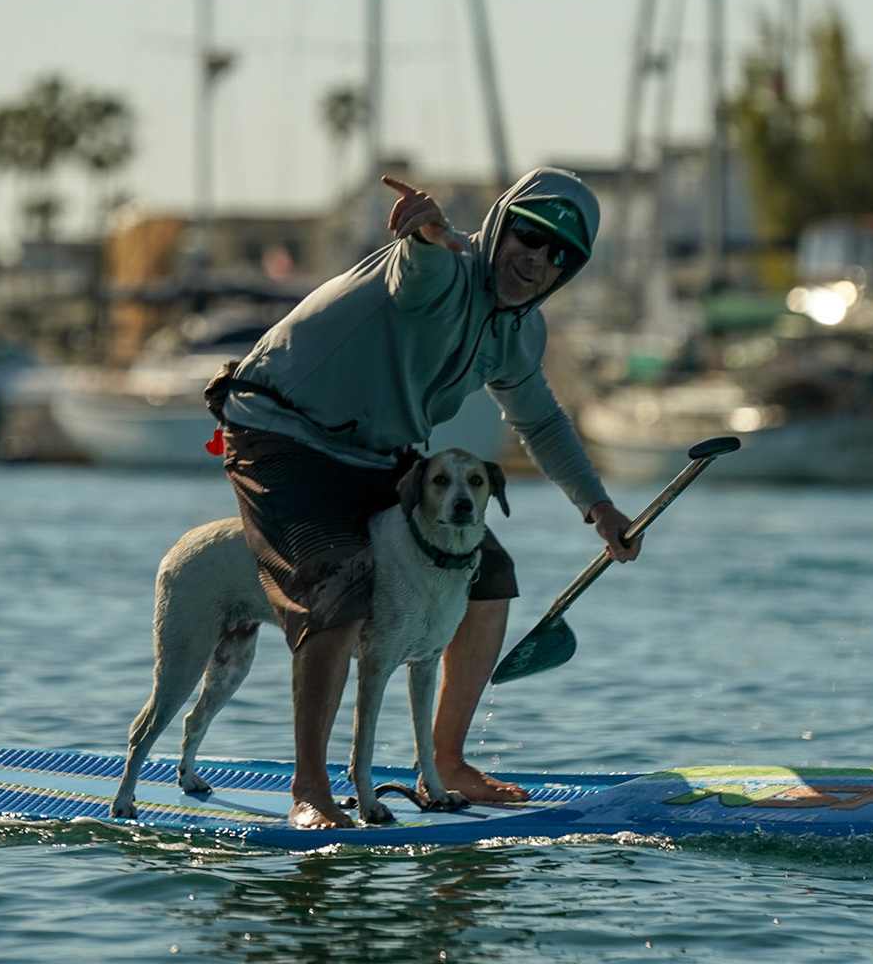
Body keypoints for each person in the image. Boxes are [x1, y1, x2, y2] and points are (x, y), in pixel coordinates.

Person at [207, 166, 636, 828]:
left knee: (487, 573)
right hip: (280, 431)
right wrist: (427, 235)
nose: (536, 259)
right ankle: (312, 790)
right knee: (336, 582)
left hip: (377, 456)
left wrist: (600, 509)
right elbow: (418, 272)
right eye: (528, 235)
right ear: (500, 227)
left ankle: (446, 762)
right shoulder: (444, 267)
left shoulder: (519, 333)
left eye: (559, 255)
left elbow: (542, 424)